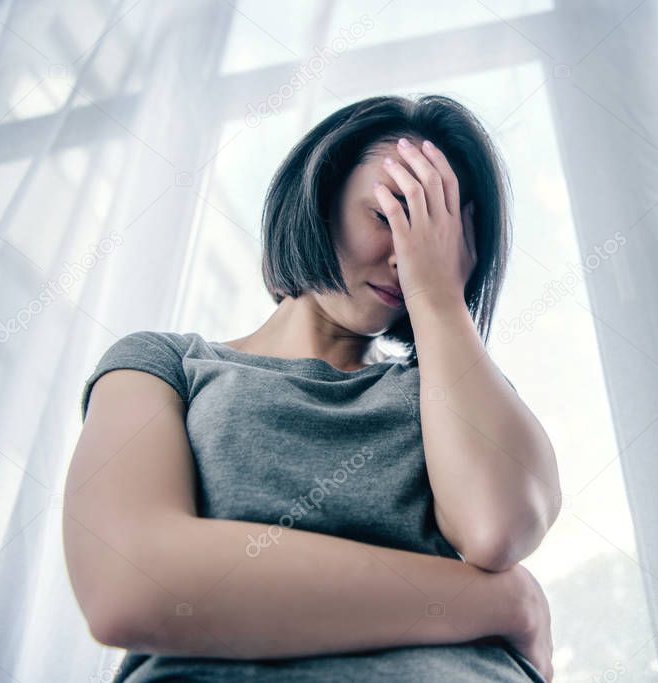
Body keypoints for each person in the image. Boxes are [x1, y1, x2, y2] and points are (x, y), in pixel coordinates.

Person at [63, 94, 562, 682]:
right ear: (319, 200)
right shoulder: (166, 366)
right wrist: (503, 602)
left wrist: (439, 299)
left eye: (439, 235)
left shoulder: (448, 394)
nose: (410, 256)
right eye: (392, 214)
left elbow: (497, 529)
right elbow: (130, 583)